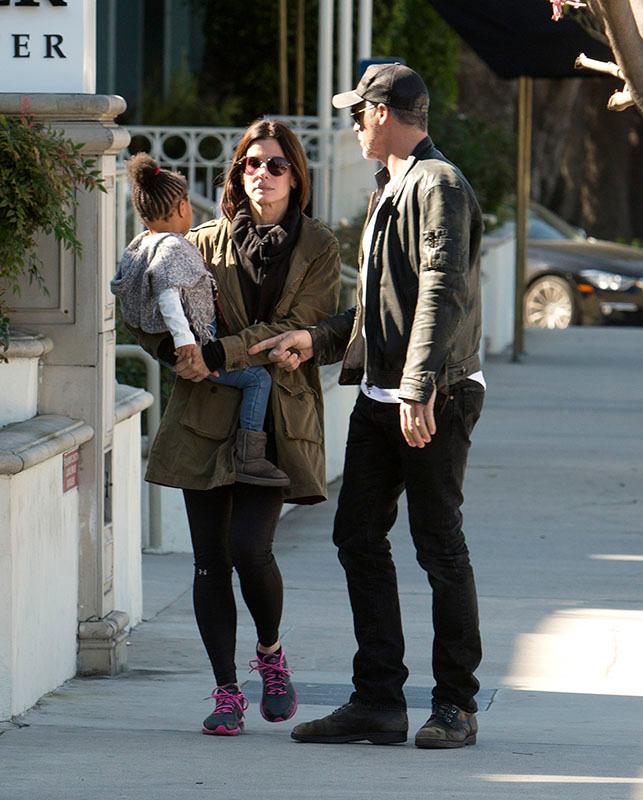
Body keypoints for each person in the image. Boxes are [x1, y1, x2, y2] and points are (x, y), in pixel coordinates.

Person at [250, 63, 485, 749]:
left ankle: (455, 706)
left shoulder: (436, 184)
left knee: (438, 545)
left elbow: (443, 288)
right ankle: (378, 701)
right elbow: (387, 305)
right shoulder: (397, 185)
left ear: (382, 112)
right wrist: (317, 338)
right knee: (356, 536)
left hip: (431, 395)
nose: (353, 124)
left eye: (358, 112)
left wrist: (419, 387)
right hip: (386, 393)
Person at [130, 121, 341, 736]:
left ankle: (270, 655)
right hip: (204, 415)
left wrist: (217, 352)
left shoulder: (319, 247)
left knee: (251, 549)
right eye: (252, 164)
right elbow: (146, 309)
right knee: (207, 563)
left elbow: (297, 327)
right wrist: (179, 355)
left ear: (296, 176)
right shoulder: (197, 242)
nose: (263, 174)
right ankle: (226, 691)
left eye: (277, 165)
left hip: (275, 418)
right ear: (236, 174)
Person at [111, 153, 289, 487]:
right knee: (258, 380)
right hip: (195, 342)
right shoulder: (173, 248)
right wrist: (188, 345)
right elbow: (168, 294)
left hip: (168, 342)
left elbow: (124, 287)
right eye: (188, 202)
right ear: (180, 208)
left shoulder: (140, 245)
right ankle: (250, 455)